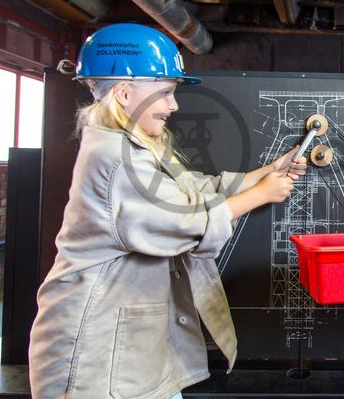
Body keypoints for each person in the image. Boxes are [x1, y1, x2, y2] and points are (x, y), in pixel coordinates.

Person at [28, 23, 307, 398]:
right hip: (94, 346)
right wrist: (262, 194)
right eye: (165, 93)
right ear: (125, 93)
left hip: (123, 345)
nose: (173, 106)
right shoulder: (115, 158)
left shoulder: (131, 147)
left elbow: (190, 190)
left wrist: (267, 172)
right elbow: (181, 221)